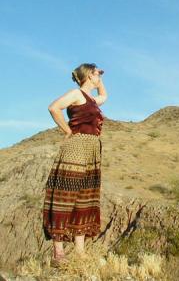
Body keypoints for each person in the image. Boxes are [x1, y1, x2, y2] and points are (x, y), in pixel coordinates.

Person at [42, 63, 107, 267]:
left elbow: (104, 96)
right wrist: (67, 131)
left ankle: (80, 252)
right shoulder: (76, 94)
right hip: (77, 147)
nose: (99, 77)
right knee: (66, 196)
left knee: (85, 198)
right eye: (97, 73)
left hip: (92, 151)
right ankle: (58, 253)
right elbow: (54, 107)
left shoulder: (92, 99)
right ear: (88, 75)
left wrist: (100, 78)